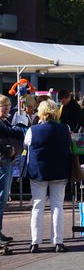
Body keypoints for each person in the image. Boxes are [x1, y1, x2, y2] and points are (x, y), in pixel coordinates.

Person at [25, 99, 72, 253]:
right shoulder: (65, 128)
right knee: (57, 205)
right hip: (59, 170)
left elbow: (26, 145)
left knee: (37, 206)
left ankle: (35, 242)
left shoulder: (33, 130)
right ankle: (58, 241)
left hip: (38, 171)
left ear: (41, 112)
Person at [0, 94, 25, 253]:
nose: (7, 109)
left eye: (8, 106)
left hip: (6, 161)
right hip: (2, 161)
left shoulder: (5, 121)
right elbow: (15, 133)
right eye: (3, 106)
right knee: (1, 198)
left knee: (3, 199)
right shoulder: (3, 123)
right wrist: (7, 150)